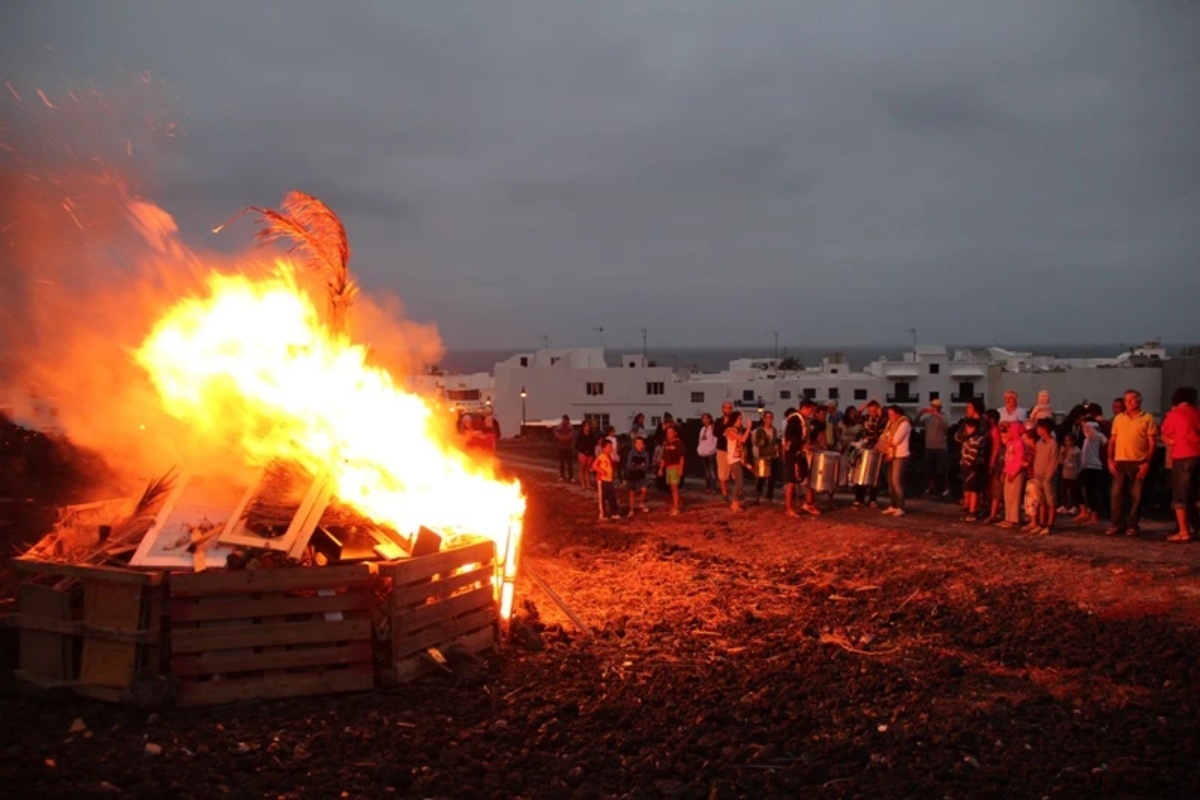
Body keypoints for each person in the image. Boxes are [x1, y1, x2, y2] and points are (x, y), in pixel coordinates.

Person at [1107, 389, 1158, 537]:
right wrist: (1110, 460)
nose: (1128, 403)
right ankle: (1117, 524)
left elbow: (1152, 442)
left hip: (1138, 461)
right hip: (1120, 461)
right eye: (1126, 400)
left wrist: (1147, 462)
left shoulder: (1148, 418)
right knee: (1116, 495)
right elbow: (1112, 440)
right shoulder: (1118, 419)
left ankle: (1132, 525)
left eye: (1131, 399)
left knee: (1136, 496)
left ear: (1139, 400)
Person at [1160, 385, 1200, 542]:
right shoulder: (1197, 412)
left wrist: (1174, 442)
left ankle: (1183, 531)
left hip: (1183, 455)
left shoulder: (1175, 414)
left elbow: (1165, 433)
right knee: (1194, 494)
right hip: (1197, 455)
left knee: (1180, 495)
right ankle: (1195, 528)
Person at [1076, 404, 1108, 525]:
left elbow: (1092, 429)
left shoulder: (1093, 434)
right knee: (1079, 487)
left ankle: (1094, 516)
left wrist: (1086, 423)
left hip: (1093, 466)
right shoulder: (1089, 438)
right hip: (1087, 465)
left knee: (1090, 491)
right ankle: (1085, 511)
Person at [853, 401, 886, 508]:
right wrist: (867, 402)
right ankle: (859, 498)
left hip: (876, 449)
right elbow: (856, 414)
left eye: (874, 409)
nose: (872, 412)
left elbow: (885, 423)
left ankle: (872, 499)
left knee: (874, 474)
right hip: (863, 448)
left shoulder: (881, 420)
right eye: (870, 409)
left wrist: (880, 413)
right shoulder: (864, 418)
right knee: (860, 473)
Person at [1030, 418, 1060, 535]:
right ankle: (1042, 523)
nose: (1037, 430)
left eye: (1039, 428)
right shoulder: (1039, 443)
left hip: (1048, 477)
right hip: (1038, 475)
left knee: (1051, 502)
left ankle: (1050, 524)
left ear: (1044, 429)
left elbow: (1054, 461)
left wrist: (1049, 476)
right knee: (1041, 501)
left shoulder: (1053, 444)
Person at [881, 405, 912, 516]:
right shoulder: (890, 424)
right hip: (890, 455)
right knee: (890, 482)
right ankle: (893, 505)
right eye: (889, 414)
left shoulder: (904, 424)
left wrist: (886, 440)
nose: (890, 416)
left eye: (892, 414)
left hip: (900, 455)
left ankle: (901, 506)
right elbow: (883, 436)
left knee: (896, 481)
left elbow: (895, 440)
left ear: (898, 414)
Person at [997, 421, 1027, 529]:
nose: (1008, 432)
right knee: (1007, 495)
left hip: (1016, 473)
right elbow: (1007, 460)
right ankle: (1008, 518)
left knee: (1015, 496)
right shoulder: (1010, 443)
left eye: (1010, 430)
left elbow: (1020, 460)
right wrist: (1004, 472)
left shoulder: (1019, 444)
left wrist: (1014, 473)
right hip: (1009, 472)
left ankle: (1015, 519)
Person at [958, 417, 989, 522]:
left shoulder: (976, 439)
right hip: (968, 466)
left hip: (972, 467)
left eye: (967, 427)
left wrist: (968, 463)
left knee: (973, 490)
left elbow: (973, 454)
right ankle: (969, 509)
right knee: (969, 489)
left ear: (972, 427)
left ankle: (973, 512)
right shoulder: (970, 438)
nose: (965, 429)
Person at [917, 398, 949, 497]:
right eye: (932, 406)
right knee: (930, 469)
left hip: (941, 447)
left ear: (939, 407)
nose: (932, 408)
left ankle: (946, 488)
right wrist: (920, 413)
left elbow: (946, 426)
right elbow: (916, 423)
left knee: (943, 469)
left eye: (934, 406)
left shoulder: (944, 416)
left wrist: (937, 415)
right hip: (929, 446)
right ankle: (931, 487)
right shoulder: (928, 418)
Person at [725, 410, 751, 511]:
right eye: (740, 419)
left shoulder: (736, 430)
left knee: (739, 480)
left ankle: (735, 501)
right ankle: (734, 503)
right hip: (733, 458)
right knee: (739, 481)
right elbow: (742, 440)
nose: (741, 421)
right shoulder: (730, 430)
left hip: (737, 457)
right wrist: (748, 428)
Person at [752, 410, 781, 503]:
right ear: (764, 419)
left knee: (772, 478)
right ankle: (758, 496)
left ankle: (769, 497)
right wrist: (764, 441)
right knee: (762, 477)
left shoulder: (774, 430)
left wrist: (776, 447)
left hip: (773, 456)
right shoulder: (760, 430)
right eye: (767, 417)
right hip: (763, 456)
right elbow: (758, 443)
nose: (769, 419)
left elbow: (775, 441)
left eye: (770, 417)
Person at [658, 424, 686, 516]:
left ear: (675, 433)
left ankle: (676, 508)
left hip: (675, 466)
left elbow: (682, 457)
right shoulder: (667, 444)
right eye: (668, 432)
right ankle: (674, 506)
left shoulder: (679, 443)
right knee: (671, 488)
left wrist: (681, 468)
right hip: (668, 468)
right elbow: (663, 458)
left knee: (674, 488)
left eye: (671, 432)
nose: (669, 434)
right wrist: (661, 469)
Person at [592, 439, 620, 521]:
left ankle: (614, 513)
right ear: (603, 448)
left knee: (612, 497)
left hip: (609, 480)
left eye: (611, 447)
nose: (610, 449)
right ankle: (602, 514)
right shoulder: (601, 457)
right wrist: (601, 471)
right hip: (602, 480)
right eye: (609, 447)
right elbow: (594, 465)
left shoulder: (610, 457)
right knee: (602, 497)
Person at [625, 436, 651, 516]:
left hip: (641, 475)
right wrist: (640, 466)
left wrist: (635, 465)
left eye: (641, 443)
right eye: (638, 443)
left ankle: (641, 503)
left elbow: (646, 466)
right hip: (632, 475)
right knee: (632, 492)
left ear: (643, 444)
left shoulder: (645, 454)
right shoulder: (631, 453)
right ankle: (631, 509)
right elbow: (629, 466)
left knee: (644, 490)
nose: (639, 445)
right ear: (635, 444)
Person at [714, 401, 734, 499]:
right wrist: (724, 424)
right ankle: (725, 494)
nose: (728, 410)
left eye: (730, 408)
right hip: (722, 450)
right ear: (723, 409)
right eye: (726, 408)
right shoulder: (718, 421)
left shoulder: (735, 421)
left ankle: (736, 493)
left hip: (734, 450)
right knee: (723, 473)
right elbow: (715, 433)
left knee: (735, 473)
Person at [1058, 433, 1081, 516]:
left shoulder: (1077, 450)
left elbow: (1080, 462)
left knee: (1073, 490)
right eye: (1065, 440)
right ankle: (1064, 505)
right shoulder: (1064, 450)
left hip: (1074, 473)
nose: (1067, 442)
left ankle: (1074, 506)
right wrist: (1063, 453)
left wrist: (1079, 472)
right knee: (1063, 489)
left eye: (1069, 440)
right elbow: (1060, 461)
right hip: (1065, 473)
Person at [697, 413, 719, 493]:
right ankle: (708, 487)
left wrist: (712, 449)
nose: (704, 420)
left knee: (712, 470)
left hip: (711, 452)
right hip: (703, 452)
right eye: (703, 418)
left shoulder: (712, 428)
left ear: (709, 419)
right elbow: (700, 441)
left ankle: (713, 488)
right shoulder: (702, 429)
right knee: (706, 471)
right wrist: (699, 450)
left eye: (706, 418)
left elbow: (715, 439)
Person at [575, 420, 597, 490]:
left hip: (590, 454)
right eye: (585, 426)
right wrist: (582, 450)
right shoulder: (580, 435)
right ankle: (583, 484)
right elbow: (577, 445)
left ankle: (588, 484)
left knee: (587, 470)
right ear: (583, 427)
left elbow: (594, 443)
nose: (587, 427)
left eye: (588, 426)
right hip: (583, 453)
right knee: (582, 469)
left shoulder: (591, 435)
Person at [553, 415, 575, 482]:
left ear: (567, 421)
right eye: (563, 420)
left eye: (565, 420)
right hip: (561, 448)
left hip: (568, 448)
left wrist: (562, 438)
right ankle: (562, 476)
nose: (564, 421)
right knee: (562, 463)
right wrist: (564, 437)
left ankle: (571, 477)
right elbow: (557, 436)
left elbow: (570, 436)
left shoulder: (570, 428)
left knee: (569, 463)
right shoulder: (559, 427)